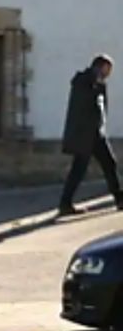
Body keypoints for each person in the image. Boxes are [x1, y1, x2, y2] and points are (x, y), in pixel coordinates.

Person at [59, 54, 123, 216]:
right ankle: (66, 204)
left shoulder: (97, 83)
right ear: (99, 67)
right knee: (92, 167)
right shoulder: (83, 82)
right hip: (87, 134)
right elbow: (85, 107)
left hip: (95, 132)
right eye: (107, 69)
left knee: (101, 165)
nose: (109, 73)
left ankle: (66, 203)